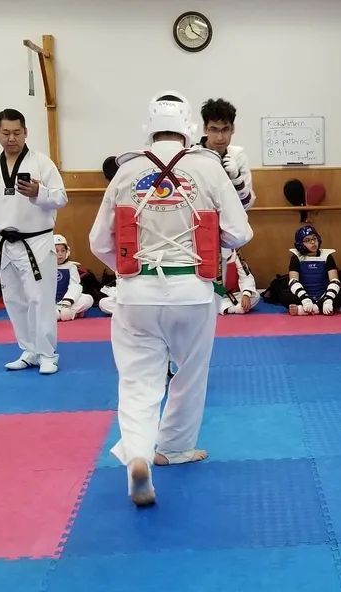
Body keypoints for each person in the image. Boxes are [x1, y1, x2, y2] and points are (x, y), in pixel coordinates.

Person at [89, 90, 253, 507]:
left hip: (136, 292)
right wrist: (211, 240)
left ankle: (139, 455)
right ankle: (174, 447)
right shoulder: (207, 168)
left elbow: (97, 242)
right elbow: (240, 232)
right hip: (193, 292)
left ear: (149, 126)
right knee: (190, 373)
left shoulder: (126, 171)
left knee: (139, 382)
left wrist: (127, 269)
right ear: (190, 129)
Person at [0, 108, 69, 373]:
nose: (11, 138)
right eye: (6, 133)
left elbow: (61, 198)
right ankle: (29, 349)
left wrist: (39, 192)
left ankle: (47, 353)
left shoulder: (42, 163)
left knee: (40, 299)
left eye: (17, 133)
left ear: (26, 133)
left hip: (38, 242)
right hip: (6, 243)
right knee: (14, 299)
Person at [198, 98, 255, 210]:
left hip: (230, 223)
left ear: (232, 129)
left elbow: (247, 205)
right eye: (214, 129)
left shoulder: (238, 156)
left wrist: (237, 179)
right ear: (205, 129)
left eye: (225, 129)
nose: (220, 137)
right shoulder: (193, 155)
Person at [53, 235, 94, 320]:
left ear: (67, 252)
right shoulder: (45, 268)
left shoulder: (71, 267)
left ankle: (66, 311)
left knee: (88, 299)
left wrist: (67, 301)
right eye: (57, 251)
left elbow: (75, 286)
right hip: (51, 303)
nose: (60, 254)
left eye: (63, 251)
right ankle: (69, 313)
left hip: (68, 302)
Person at [216, 248, 259, 315]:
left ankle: (229, 308)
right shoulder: (211, 256)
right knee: (207, 303)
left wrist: (246, 294)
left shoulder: (237, 255)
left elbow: (246, 276)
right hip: (217, 296)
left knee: (256, 296)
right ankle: (233, 309)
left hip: (234, 295)